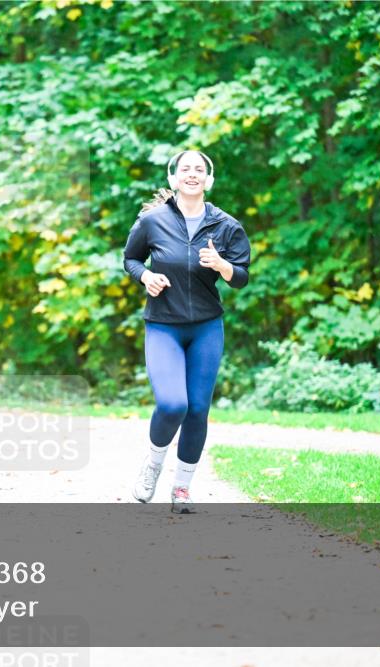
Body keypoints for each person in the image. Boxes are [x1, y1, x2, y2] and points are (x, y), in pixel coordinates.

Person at [123, 150, 251, 513]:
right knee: (172, 403)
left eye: (199, 169)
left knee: (197, 409)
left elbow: (241, 276)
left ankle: (181, 488)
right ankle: (153, 464)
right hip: (164, 326)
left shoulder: (227, 225)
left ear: (208, 180)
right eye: (185, 169)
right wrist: (145, 276)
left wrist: (223, 266)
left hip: (207, 328)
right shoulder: (152, 221)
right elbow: (130, 258)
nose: (192, 174)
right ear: (173, 179)